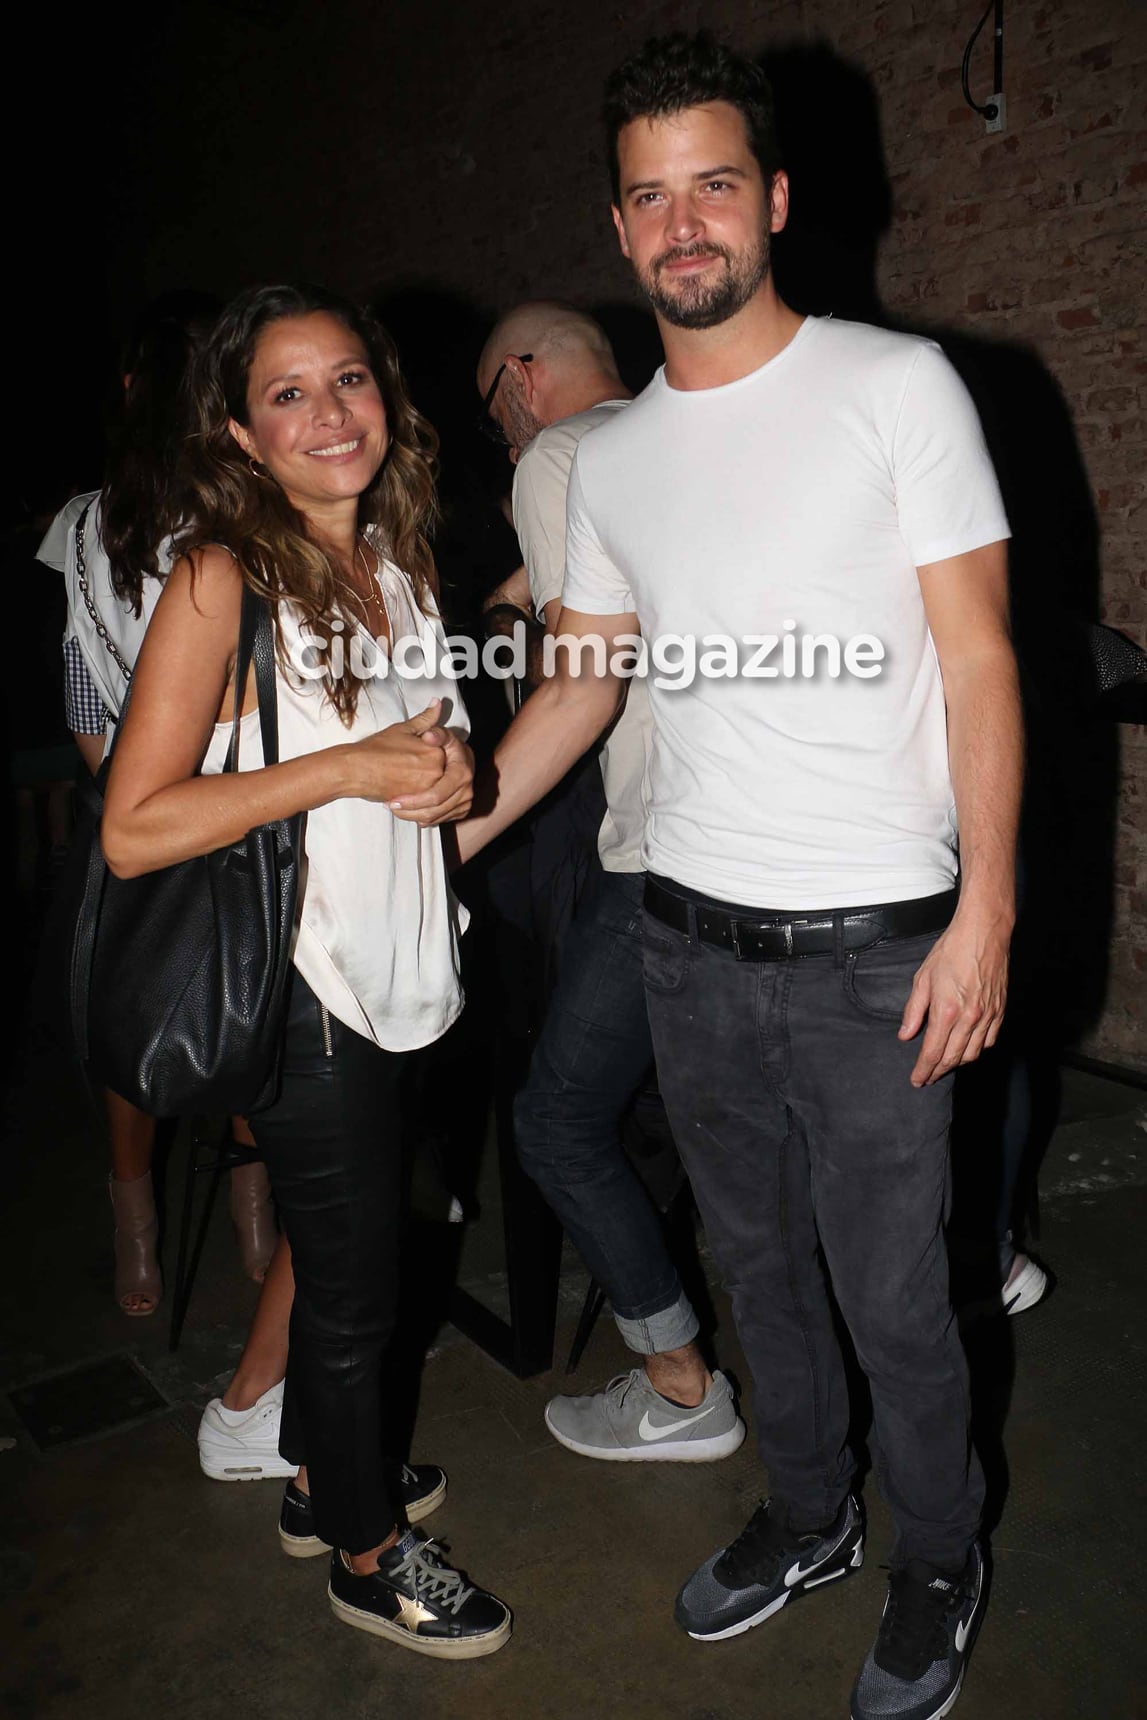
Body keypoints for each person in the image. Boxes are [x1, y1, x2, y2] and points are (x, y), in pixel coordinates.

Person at [432, 35, 1022, 1719]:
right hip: (685, 941)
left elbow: (978, 665)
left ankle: (935, 1552)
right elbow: (583, 682)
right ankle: (815, 1513)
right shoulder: (604, 458)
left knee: (897, 1293)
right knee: (758, 1271)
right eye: (645, 194)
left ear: (769, 200)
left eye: (710, 184)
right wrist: (451, 841)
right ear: (618, 231)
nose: (679, 221)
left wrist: (983, 910)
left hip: (873, 950)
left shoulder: (895, 388)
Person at [101, 282, 510, 1657]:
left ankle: (316, 1477)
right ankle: (363, 1551)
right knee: (354, 1292)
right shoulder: (224, 576)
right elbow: (135, 820)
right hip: (305, 986)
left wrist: (445, 781)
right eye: (289, 392)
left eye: (348, 380)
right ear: (239, 432)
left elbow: (417, 767)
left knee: (360, 1265)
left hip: (404, 969)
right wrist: (345, 765)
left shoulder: (396, 567)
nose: (329, 412)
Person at [475, 300, 744, 1461]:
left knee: (557, 1119)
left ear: (523, 380)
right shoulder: (703, 425)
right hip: (780, 848)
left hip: (665, 854)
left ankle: (681, 1383)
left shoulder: (552, 454)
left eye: (492, 406)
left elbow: (573, 677)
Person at [36, 294, 275, 1313]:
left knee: (133, 1022)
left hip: (129, 802)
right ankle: (254, 1220)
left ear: (131, 391)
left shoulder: (85, 523)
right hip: (243, 797)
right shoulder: (241, 514)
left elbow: (84, 686)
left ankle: (137, 1229)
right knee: (251, 1004)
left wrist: (120, 793)